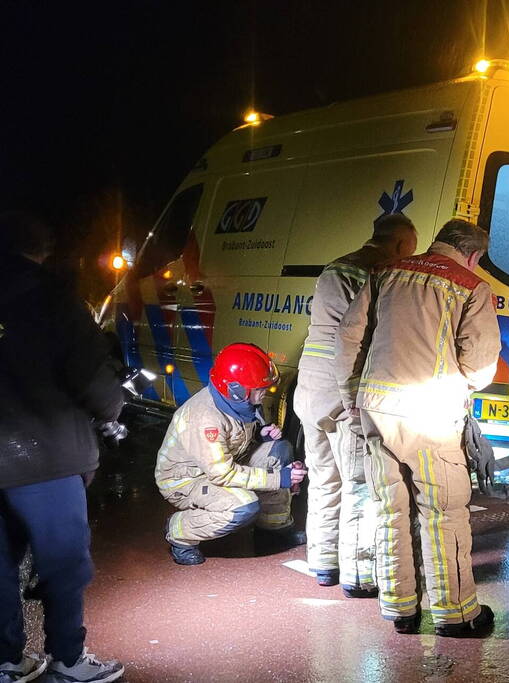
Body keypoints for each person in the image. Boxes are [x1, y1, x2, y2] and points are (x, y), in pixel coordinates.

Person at [335, 219, 501, 637]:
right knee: (443, 513)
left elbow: (350, 335)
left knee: (390, 510)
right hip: (430, 414)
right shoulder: (470, 285)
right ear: (474, 255)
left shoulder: (387, 271)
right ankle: (455, 614)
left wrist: (351, 394)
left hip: (376, 409)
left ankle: (400, 609)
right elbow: (480, 367)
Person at [0, 212, 125, 682]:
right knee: (63, 563)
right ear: (42, 246)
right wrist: (112, 412)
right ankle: (68, 661)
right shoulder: (49, 296)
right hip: (45, 457)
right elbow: (93, 376)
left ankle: (7, 660)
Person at [294, 214, 417, 595]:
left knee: (324, 479)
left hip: (309, 387)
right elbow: (368, 337)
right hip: (342, 388)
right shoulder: (376, 272)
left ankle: (324, 562)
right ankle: (359, 575)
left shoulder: (336, 267)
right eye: (411, 247)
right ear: (399, 245)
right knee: (359, 483)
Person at [155, 343, 307, 566]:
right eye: (260, 388)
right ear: (236, 390)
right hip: (185, 480)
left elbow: (233, 442)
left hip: (221, 464)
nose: (265, 392)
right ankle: (179, 531)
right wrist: (279, 478)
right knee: (243, 506)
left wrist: (261, 436)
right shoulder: (204, 419)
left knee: (279, 450)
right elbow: (222, 473)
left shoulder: (238, 403)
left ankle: (273, 527)